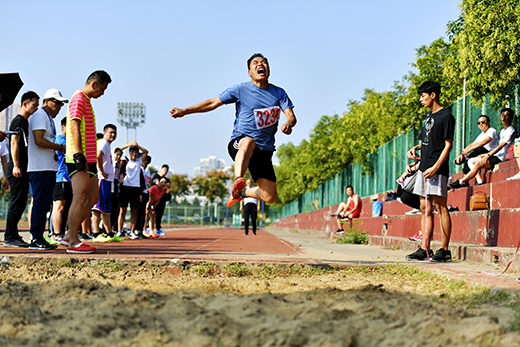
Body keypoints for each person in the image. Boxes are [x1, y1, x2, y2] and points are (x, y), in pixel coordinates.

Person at [170, 53, 296, 208]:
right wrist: (184, 111)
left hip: (264, 151)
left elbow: (291, 116)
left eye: (264, 62)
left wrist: (288, 124)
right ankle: (238, 180)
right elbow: (212, 103)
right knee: (248, 141)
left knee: (269, 196)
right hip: (240, 143)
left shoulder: (279, 93)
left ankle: (240, 193)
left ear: (268, 70)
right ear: (249, 72)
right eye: (255, 63)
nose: (260, 64)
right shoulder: (241, 89)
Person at [405, 80, 455, 262]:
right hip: (423, 169)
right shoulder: (428, 116)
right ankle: (425, 249)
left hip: (437, 169)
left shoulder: (446, 116)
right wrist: (416, 147)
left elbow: (448, 145)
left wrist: (435, 167)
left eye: (423, 95)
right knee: (425, 208)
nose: (421, 99)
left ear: (433, 95)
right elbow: (428, 139)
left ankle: (444, 249)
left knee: (441, 208)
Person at [65, 70, 112, 254]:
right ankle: (73, 241)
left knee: (93, 197)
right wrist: (78, 154)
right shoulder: (78, 98)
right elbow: (74, 126)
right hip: (80, 156)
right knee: (80, 197)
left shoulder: (87, 101)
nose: (103, 93)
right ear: (94, 84)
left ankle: (70, 234)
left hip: (90, 158)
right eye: (103, 89)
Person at [27, 89, 69, 250]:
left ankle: (39, 237)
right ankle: (35, 238)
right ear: (46, 101)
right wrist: (59, 147)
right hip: (39, 168)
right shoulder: (39, 116)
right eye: (57, 102)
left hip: (47, 167)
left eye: (61, 104)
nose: (59, 107)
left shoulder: (48, 118)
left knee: (44, 205)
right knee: (40, 204)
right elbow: (38, 140)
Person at [3, 91, 39, 248]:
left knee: (21, 202)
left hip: (23, 167)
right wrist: (16, 165)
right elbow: (14, 143)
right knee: (17, 202)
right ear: (25, 104)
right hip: (17, 167)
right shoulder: (18, 121)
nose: (36, 108)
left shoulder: (26, 122)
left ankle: (14, 234)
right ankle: (9, 236)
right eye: (34, 105)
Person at [451, 108, 516, 189]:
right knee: (470, 161)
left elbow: (499, 146)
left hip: (500, 157)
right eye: (502, 115)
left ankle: (461, 181)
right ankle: (478, 181)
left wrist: (487, 155)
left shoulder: (509, 130)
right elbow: (473, 144)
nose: (503, 117)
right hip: (494, 154)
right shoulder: (502, 130)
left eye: (506, 115)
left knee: (478, 153)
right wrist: (462, 154)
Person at [92, 124, 123, 242]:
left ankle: (109, 233)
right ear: (104, 133)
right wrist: (101, 170)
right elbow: (97, 156)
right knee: (98, 207)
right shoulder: (103, 143)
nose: (113, 135)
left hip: (108, 180)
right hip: (102, 179)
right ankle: (95, 234)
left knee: (106, 209)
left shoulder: (108, 145)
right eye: (110, 132)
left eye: (115, 133)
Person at [449, 115, 498, 188]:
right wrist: (462, 154)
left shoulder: (491, 130)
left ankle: (464, 180)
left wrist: (467, 151)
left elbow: (483, 143)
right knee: (468, 160)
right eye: (478, 122)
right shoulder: (481, 134)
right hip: (483, 153)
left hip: (492, 154)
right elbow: (472, 144)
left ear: (488, 122)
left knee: (478, 149)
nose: (480, 124)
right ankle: (468, 182)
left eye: (483, 122)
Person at [118, 142, 148, 239]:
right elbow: (118, 149)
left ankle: (132, 231)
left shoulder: (139, 162)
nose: (134, 154)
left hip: (135, 188)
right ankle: (119, 230)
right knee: (122, 211)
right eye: (132, 152)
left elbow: (146, 152)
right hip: (125, 186)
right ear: (129, 153)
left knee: (134, 211)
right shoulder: (126, 161)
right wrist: (128, 145)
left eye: (136, 152)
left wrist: (138, 146)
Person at [50, 117, 72, 243]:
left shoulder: (68, 140)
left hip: (68, 178)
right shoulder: (60, 140)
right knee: (59, 206)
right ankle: (56, 234)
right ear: (63, 126)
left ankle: (61, 233)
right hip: (61, 177)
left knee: (66, 207)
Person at [151, 164, 170, 236]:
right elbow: (157, 183)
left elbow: (169, 187)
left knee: (159, 214)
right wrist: (164, 185)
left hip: (162, 199)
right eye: (164, 169)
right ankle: (149, 228)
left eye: (167, 170)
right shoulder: (156, 176)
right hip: (155, 198)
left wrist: (164, 186)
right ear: (161, 169)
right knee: (152, 213)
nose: (165, 171)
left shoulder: (167, 179)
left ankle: (158, 229)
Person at [110, 147, 123, 231]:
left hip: (115, 188)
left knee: (115, 209)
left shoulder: (118, 165)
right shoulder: (111, 163)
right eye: (117, 154)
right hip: (110, 187)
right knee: (108, 209)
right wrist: (129, 144)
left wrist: (120, 180)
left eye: (120, 155)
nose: (118, 156)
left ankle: (110, 229)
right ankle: (103, 229)